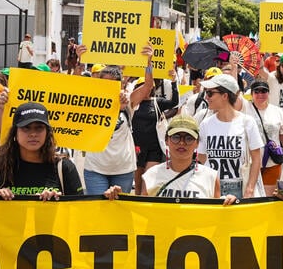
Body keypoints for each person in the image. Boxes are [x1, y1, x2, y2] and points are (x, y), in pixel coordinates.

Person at [0, 102, 83, 199]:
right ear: (15, 133)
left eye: (39, 128)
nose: (33, 134)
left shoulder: (64, 168)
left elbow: (80, 210)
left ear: (47, 133)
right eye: (26, 128)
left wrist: (57, 203)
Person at [141, 115, 236, 203]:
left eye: (189, 138)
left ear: (197, 143)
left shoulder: (210, 177)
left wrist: (228, 203)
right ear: (166, 140)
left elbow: (216, 215)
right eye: (176, 137)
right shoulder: (151, 176)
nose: (182, 143)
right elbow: (142, 213)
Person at [197, 73, 263, 200]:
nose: (206, 97)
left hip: (240, 187)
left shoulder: (247, 122)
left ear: (225, 96)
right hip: (212, 188)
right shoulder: (206, 124)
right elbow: (201, 158)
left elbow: (256, 159)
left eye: (210, 93)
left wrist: (249, 190)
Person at [82, 66, 137, 196]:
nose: (108, 86)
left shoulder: (128, 101)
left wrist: (149, 65)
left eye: (112, 83)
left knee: (119, 211)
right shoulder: (90, 102)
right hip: (95, 169)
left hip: (123, 170)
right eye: (105, 82)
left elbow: (147, 87)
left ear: (120, 84)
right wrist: (80, 59)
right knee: (97, 211)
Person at [129, 45, 177, 194]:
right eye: (139, 86)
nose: (143, 89)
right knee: (137, 187)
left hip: (154, 149)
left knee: (147, 186)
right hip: (136, 149)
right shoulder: (132, 104)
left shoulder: (157, 102)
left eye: (145, 86)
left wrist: (175, 82)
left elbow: (173, 102)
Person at [249, 79, 283, 189]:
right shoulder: (245, 108)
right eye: (256, 91)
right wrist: (234, 68)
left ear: (268, 93)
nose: (260, 94)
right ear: (251, 94)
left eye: (264, 91)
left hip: (272, 162)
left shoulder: (277, 111)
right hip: (249, 163)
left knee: (268, 197)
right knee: (251, 195)